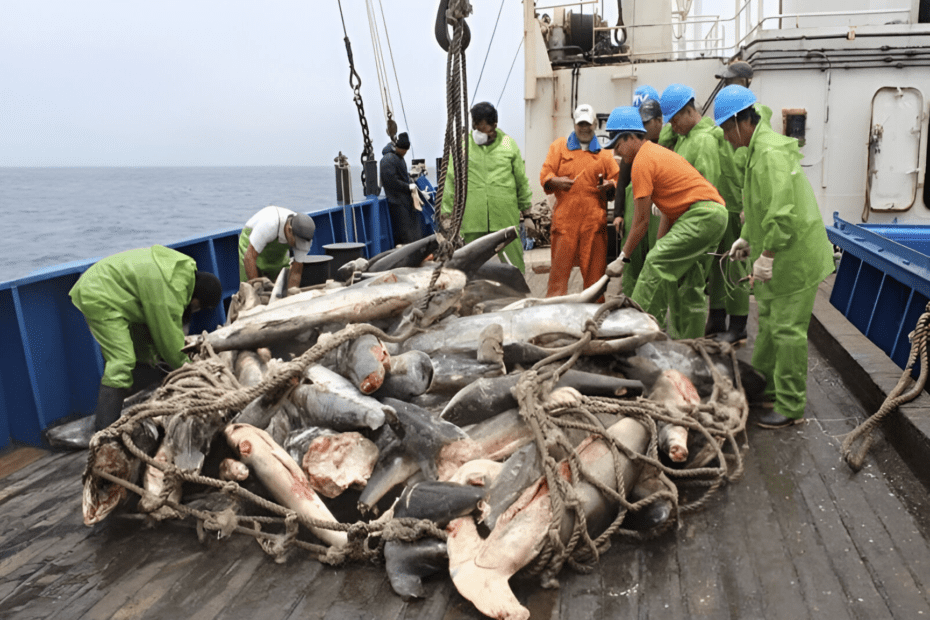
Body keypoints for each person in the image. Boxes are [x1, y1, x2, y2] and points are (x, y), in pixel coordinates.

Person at [713, 85, 834, 429]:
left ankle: (792, 405)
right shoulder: (757, 151)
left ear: (740, 122)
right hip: (782, 254)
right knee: (769, 323)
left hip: (794, 257)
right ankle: (765, 387)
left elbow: (782, 215)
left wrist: (766, 255)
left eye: (725, 129)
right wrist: (747, 239)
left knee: (787, 331)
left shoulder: (768, 154)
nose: (726, 137)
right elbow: (759, 207)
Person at [69, 245, 222, 442]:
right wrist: (193, 371)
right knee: (122, 360)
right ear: (196, 298)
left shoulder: (180, 274)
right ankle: (104, 429)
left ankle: (132, 398)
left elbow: (160, 336)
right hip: (101, 295)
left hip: (122, 296)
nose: (195, 310)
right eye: (198, 307)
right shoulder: (170, 292)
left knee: (146, 355)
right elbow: (170, 344)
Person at [603, 106, 727, 340]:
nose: (616, 154)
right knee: (687, 281)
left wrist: (623, 258)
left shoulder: (642, 161)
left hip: (702, 215)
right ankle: (688, 343)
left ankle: (636, 332)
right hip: (710, 214)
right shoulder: (654, 154)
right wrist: (661, 242)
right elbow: (670, 210)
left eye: (618, 145)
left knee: (655, 263)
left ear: (631, 136)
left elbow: (641, 221)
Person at [660, 83, 749, 344]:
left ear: (689, 111)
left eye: (675, 119)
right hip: (714, 209)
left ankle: (739, 325)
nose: (672, 126)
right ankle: (719, 319)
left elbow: (706, 182)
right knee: (717, 266)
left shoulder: (704, 139)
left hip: (723, 208)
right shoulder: (687, 138)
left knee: (733, 266)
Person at [441, 101, 533, 272]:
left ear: (495, 125)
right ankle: (471, 295)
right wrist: (446, 213)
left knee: (513, 264)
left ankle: (518, 293)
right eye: (477, 130)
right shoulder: (462, 147)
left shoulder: (508, 145)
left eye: (485, 130)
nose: (481, 135)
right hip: (473, 218)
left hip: (504, 217)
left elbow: (520, 179)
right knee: (469, 265)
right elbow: (451, 179)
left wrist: (527, 210)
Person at [539, 103, 619, 296]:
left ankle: (594, 315)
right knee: (558, 276)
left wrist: (610, 185)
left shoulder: (604, 154)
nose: (584, 128)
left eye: (588, 124)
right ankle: (552, 315)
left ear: (594, 125)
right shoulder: (559, 147)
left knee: (595, 279)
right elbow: (545, 174)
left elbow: (617, 180)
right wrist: (556, 181)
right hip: (565, 224)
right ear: (574, 124)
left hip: (593, 225)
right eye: (580, 124)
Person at [613, 92, 663, 296]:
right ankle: (633, 300)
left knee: (654, 258)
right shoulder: (633, 153)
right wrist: (618, 213)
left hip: (656, 212)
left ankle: (650, 305)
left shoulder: (661, 148)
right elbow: (622, 181)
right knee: (634, 260)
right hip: (636, 208)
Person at [238, 206, 316, 289]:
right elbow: (249, 258)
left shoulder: (304, 237)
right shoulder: (269, 224)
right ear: (289, 230)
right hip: (251, 244)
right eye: (297, 243)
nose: (299, 246)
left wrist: (292, 293)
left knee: (279, 287)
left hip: (278, 251)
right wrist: (256, 289)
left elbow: (296, 271)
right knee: (250, 290)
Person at [380, 132, 424, 246]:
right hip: (397, 203)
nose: (405, 152)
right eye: (403, 150)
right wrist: (408, 186)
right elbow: (391, 181)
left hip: (404, 202)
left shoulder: (399, 158)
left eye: (406, 150)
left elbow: (402, 177)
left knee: (413, 234)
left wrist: (413, 187)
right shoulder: (387, 159)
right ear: (397, 147)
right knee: (405, 235)